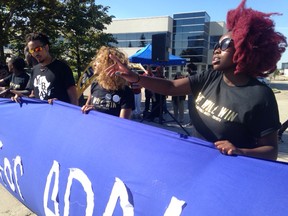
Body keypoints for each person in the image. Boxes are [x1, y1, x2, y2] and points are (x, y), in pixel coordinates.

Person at [106, 0, 287, 161]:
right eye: (216, 45)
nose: (216, 50)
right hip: (197, 159)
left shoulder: (260, 95)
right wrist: (135, 77)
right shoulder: (210, 76)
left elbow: (270, 150)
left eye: (224, 45)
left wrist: (240, 151)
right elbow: (171, 87)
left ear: (245, 49)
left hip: (231, 169)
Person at [12, 32, 78, 105]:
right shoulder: (35, 70)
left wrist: (61, 104)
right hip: (42, 114)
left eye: (38, 49)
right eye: (32, 50)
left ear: (46, 47)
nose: (35, 53)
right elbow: (31, 93)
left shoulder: (62, 68)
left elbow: (74, 98)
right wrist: (20, 95)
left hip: (60, 114)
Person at [81, 46, 135, 119]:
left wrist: (97, 113)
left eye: (99, 61)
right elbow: (87, 107)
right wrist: (85, 109)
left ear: (108, 65)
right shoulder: (95, 84)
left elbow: (122, 124)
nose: (94, 64)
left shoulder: (126, 92)